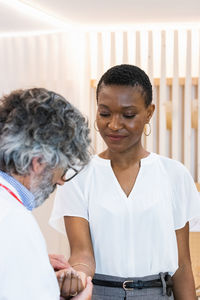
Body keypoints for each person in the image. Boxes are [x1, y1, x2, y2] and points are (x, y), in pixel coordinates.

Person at [50, 64, 200, 300]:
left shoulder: (174, 175)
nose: (114, 125)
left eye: (128, 115)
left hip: (159, 294)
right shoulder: (78, 176)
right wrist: (76, 275)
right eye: (105, 113)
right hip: (97, 294)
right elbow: (81, 254)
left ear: (149, 113)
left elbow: (182, 265)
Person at [0, 88, 93, 300]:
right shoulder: (15, 222)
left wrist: (34, 266)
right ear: (39, 162)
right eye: (62, 169)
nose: (60, 181)